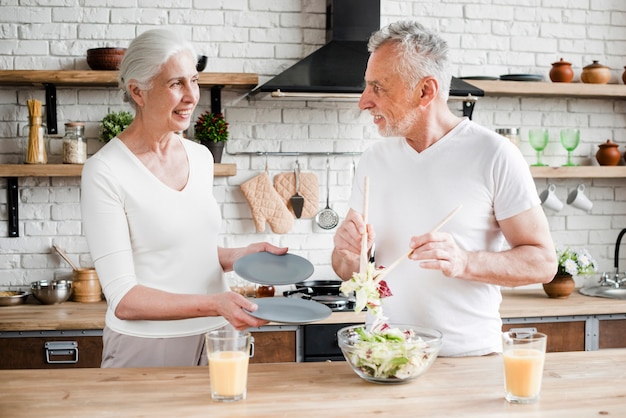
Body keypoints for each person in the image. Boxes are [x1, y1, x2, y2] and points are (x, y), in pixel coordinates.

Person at [331, 21, 557, 357]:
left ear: (425, 91)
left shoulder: (494, 154)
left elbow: (542, 262)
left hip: (470, 359)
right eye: (367, 86)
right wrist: (348, 253)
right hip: (384, 354)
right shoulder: (373, 159)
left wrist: (465, 261)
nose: (364, 101)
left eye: (379, 88)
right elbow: (347, 269)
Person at [81, 28, 287, 368]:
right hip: (146, 346)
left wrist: (239, 256)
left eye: (194, 80)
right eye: (176, 83)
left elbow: (180, 251)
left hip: (217, 339)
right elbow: (125, 299)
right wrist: (216, 303)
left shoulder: (201, 157)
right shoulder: (105, 171)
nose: (192, 95)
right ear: (138, 92)